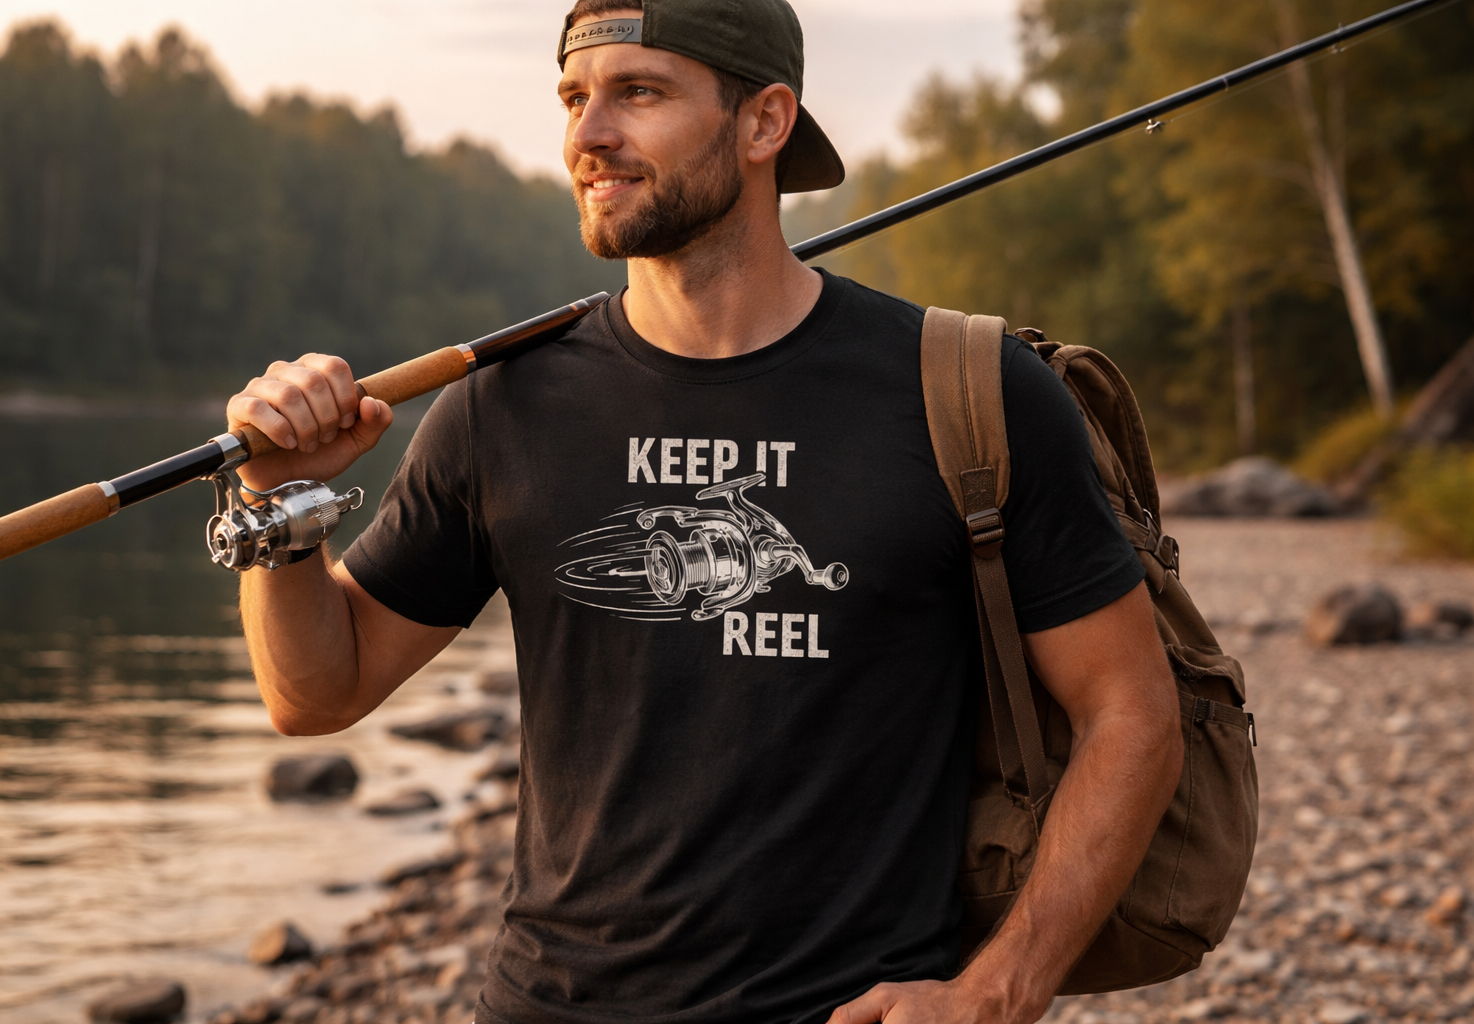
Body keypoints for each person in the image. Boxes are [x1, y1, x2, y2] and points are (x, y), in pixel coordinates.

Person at [225, 1, 1184, 1022]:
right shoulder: (503, 405)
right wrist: (278, 503)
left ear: (766, 122)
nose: (588, 136)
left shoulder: (966, 390)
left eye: (638, 93)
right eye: (574, 98)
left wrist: (1001, 987)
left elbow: (1132, 710)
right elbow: (315, 694)